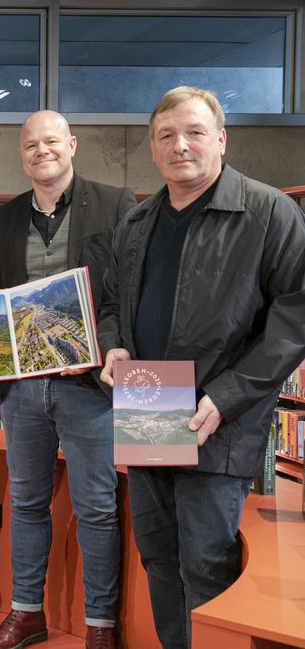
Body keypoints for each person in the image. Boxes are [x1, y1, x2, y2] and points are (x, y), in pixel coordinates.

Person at [98, 86, 305, 649]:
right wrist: (113, 345)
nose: (179, 145)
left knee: (207, 565)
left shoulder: (269, 213)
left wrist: (226, 396)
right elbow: (114, 302)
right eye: (166, 135)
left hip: (219, 419)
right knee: (159, 558)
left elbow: (294, 319)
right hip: (148, 412)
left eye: (193, 132)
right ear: (152, 146)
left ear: (221, 138)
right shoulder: (137, 223)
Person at [0, 111, 137, 649]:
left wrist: (96, 350)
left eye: (51, 141)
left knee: (96, 504)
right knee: (25, 503)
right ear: (21, 154)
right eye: (30, 145)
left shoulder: (117, 204)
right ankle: (27, 614)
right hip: (24, 391)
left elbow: (124, 295)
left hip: (90, 386)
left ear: (72, 144)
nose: (40, 151)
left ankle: (100, 625)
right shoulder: (5, 218)